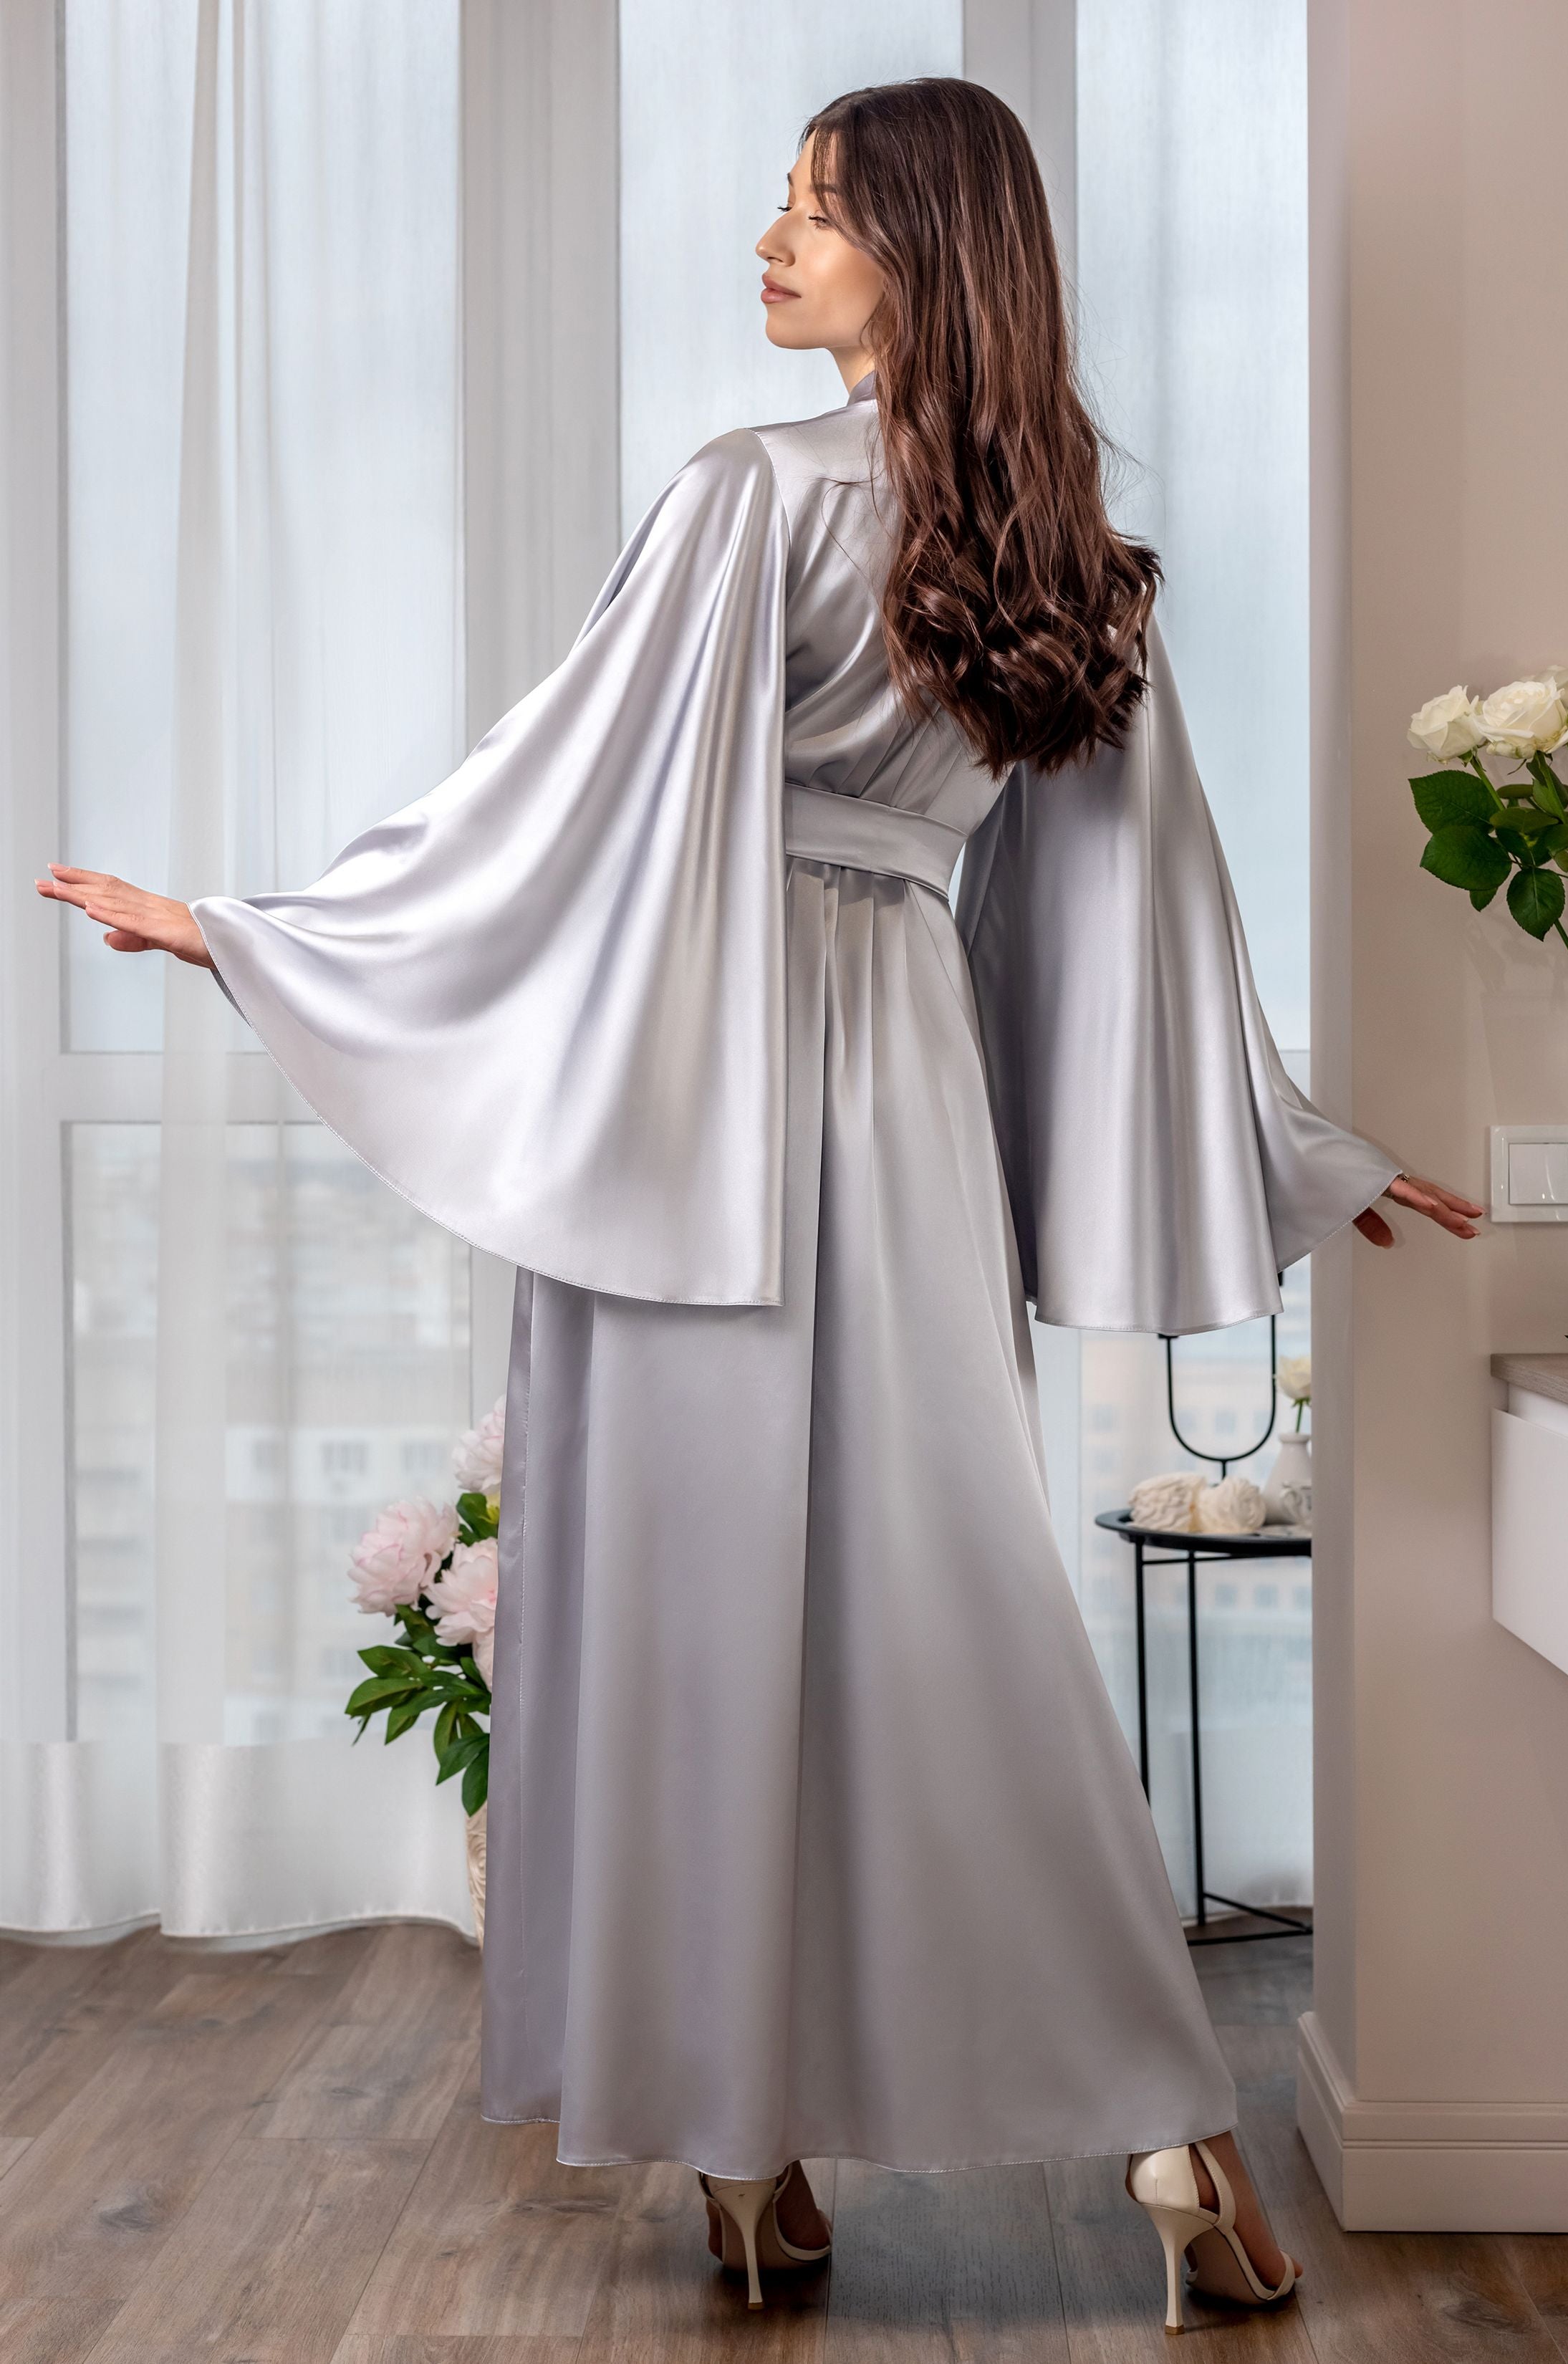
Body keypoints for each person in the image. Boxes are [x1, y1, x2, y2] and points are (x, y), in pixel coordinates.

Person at [37, 77, 1479, 2339]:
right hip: (901, 1089)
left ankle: (749, 2155)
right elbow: (1144, 919)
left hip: (694, 1102)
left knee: (696, 1624)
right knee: (954, 1612)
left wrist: (251, 932)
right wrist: (1308, 1152)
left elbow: (556, 810)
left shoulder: (749, 496)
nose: (770, 238)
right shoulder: (1063, 540)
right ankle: (1168, 2133)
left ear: (925, 244)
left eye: (818, 210)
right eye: (781, 202)